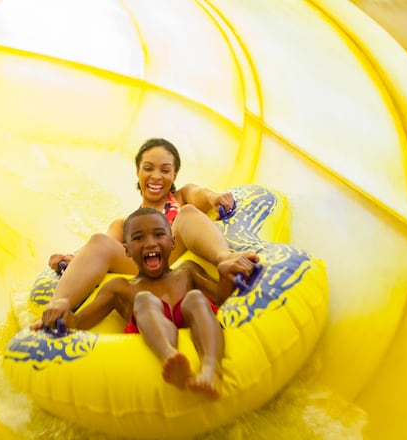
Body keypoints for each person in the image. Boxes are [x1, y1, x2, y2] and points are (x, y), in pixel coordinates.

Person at [32, 208, 255, 398]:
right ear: (126, 250)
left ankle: (210, 370)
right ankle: (170, 357)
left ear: (173, 242)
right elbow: (79, 322)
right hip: (149, 327)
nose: (150, 243)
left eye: (159, 235)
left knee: (196, 299)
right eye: (138, 238)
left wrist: (225, 276)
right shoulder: (121, 287)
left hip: (190, 318)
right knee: (145, 300)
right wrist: (64, 312)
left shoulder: (187, 272)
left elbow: (221, 300)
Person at [40, 137, 259, 328]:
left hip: (177, 253)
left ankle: (225, 258)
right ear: (138, 172)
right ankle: (58, 306)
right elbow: (101, 245)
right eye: (148, 168)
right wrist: (73, 257)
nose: (156, 176)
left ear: (174, 174)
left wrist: (215, 198)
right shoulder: (125, 225)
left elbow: (201, 194)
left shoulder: (182, 198)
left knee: (187, 214)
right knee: (99, 240)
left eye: (165, 170)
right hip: (144, 266)